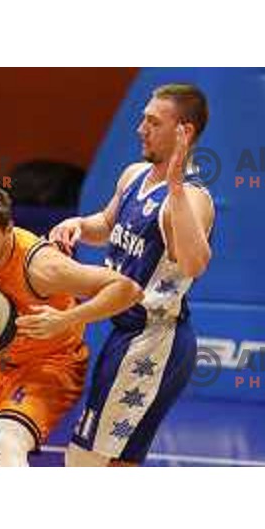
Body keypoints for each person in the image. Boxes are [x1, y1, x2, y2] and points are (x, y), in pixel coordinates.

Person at [49, 83, 215, 466]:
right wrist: (77, 224)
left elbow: (195, 264)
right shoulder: (134, 175)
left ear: (183, 132)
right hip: (127, 335)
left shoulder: (191, 199)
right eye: (143, 119)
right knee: (114, 463)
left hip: (154, 341)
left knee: (84, 461)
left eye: (153, 122)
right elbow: (106, 223)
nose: (141, 128)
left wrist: (174, 188)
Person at [0, 186, 143, 467]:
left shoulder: (41, 267)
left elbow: (128, 289)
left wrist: (66, 319)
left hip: (50, 364)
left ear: (8, 231)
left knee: (6, 441)